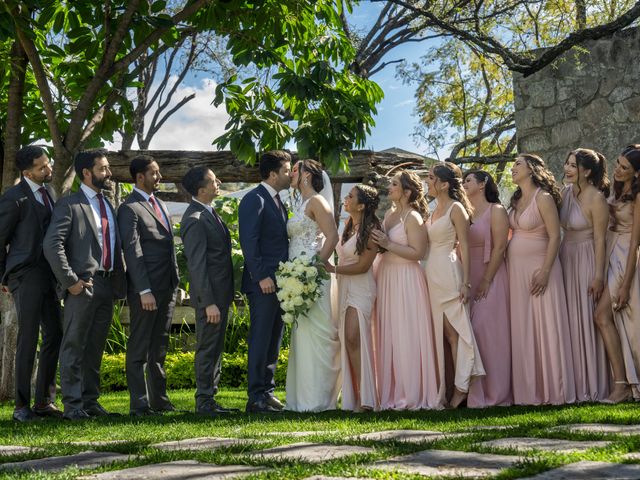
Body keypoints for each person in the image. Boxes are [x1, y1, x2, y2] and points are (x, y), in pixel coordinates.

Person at [43, 149, 126, 420]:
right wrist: (70, 281)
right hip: (82, 285)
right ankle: (73, 405)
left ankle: (91, 402)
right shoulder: (70, 204)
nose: (109, 173)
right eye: (103, 168)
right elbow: (52, 245)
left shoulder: (108, 205)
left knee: (95, 347)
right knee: (74, 346)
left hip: (106, 284)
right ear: (87, 173)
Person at [0, 146, 63, 422]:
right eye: (42, 167)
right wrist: (4, 277)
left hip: (49, 275)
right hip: (25, 274)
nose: (48, 170)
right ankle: (21, 407)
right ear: (27, 173)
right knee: (28, 336)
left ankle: (44, 402)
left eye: (47, 165)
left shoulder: (48, 193)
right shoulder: (13, 198)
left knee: (56, 333)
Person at [507, 153, 576, 405]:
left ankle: (555, 389)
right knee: (524, 326)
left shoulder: (543, 198)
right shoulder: (514, 201)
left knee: (546, 324)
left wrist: (546, 270)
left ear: (532, 169)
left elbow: (555, 236)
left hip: (541, 268)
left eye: (518, 164)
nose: (513, 168)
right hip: (517, 272)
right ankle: (528, 391)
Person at [371, 170, 442, 410]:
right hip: (386, 276)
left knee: (406, 333)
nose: (389, 188)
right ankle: (390, 392)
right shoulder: (390, 214)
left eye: (393, 184)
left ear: (407, 192)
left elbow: (418, 253)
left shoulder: (413, 217)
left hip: (406, 278)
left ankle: (411, 392)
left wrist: (388, 244)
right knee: (389, 333)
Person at [118, 155, 179, 416]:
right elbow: (133, 251)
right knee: (140, 346)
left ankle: (160, 400)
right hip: (146, 289)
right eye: (154, 173)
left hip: (167, 286)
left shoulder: (161, 205)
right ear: (139, 177)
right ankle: (139, 404)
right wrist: (143, 290)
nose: (159, 177)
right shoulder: (128, 208)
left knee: (159, 345)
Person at [424, 162, 484, 409]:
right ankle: (449, 385)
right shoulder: (432, 209)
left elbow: (465, 247)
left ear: (444, 184)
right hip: (432, 273)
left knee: (454, 332)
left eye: (430, 178)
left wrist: (467, 282)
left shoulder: (456, 208)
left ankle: (461, 389)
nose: (427, 181)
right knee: (443, 334)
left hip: (449, 271)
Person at [180, 167, 237, 415]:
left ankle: (211, 399)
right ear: (201, 190)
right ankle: (204, 400)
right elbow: (197, 265)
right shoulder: (195, 219)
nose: (219, 183)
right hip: (210, 299)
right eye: (214, 181)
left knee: (215, 348)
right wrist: (208, 302)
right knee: (207, 348)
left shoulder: (209, 213)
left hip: (220, 296)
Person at [285, 159, 341, 412]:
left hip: (312, 274)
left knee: (318, 332)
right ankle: (301, 399)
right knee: (302, 334)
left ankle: (319, 399)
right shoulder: (298, 203)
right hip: (294, 274)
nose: (291, 174)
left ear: (307, 176)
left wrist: (314, 268)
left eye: (296, 170)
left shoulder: (318, 201)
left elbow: (332, 236)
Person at [239, 150, 291, 413]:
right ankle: (255, 397)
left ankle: (267, 392)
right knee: (260, 338)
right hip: (263, 284)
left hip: (279, 284)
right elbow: (249, 241)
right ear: (273, 174)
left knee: (274, 338)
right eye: (286, 170)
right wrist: (261, 277)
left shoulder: (278, 201)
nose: (290, 174)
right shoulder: (254, 199)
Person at [560, 149, 611, 402]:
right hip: (565, 255)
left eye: (573, 165)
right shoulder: (565, 192)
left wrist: (599, 275)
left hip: (587, 257)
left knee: (585, 317)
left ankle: (594, 383)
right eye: (567, 164)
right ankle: (574, 381)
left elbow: (601, 240)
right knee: (569, 318)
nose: (568, 169)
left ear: (587, 171)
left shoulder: (596, 198)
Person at [327, 184, 380, 412]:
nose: (345, 199)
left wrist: (333, 269)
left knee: (352, 336)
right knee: (348, 340)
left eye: (350, 197)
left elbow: (363, 266)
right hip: (344, 285)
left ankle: (366, 398)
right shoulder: (348, 226)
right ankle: (357, 396)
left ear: (361, 205)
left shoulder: (372, 229)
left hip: (360, 286)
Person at [462, 169, 512, 408]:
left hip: (491, 276)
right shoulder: (465, 213)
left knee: (487, 331)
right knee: (470, 332)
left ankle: (496, 392)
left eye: (468, 180)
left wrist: (487, 280)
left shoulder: (497, 211)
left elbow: (500, 247)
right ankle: (472, 392)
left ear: (482, 184)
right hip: (467, 276)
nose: (463, 184)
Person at [594, 144, 640, 403]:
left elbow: (635, 242)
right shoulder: (615, 187)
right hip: (610, 250)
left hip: (625, 255)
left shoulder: (639, 195)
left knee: (601, 315)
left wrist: (625, 285)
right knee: (606, 318)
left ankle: (622, 385)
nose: (618, 169)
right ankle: (621, 382)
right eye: (619, 163)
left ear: (637, 173)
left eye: (625, 168)